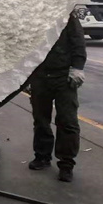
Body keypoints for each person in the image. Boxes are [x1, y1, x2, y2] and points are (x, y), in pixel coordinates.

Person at [28, 14, 87, 183]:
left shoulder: (67, 16)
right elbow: (26, 45)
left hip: (64, 76)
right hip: (40, 75)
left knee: (68, 121)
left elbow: (78, 42)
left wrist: (77, 67)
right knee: (40, 119)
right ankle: (42, 156)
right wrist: (26, 74)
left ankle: (66, 164)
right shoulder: (34, 16)